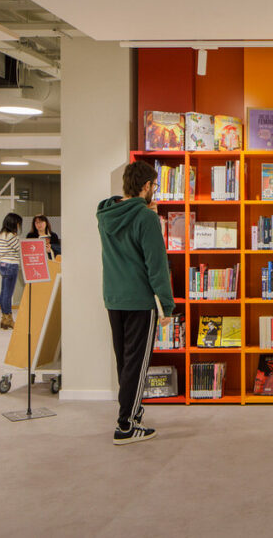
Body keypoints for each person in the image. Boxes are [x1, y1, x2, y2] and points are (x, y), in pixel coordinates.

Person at [97, 161, 174, 445]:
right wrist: (166, 305)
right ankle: (126, 426)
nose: (154, 189)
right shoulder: (146, 218)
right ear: (146, 186)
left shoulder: (106, 214)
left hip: (113, 298)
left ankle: (132, 413)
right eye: (154, 185)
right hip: (139, 300)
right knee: (137, 363)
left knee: (125, 362)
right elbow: (157, 264)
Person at [0, 213, 23, 330]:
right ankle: (8, 319)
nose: (19, 226)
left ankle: (4, 319)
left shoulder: (1, 235)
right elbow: (20, 249)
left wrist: (2, 255)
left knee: (4, 292)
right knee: (8, 294)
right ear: (14, 223)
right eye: (18, 223)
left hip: (3, 264)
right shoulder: (11, 236)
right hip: (11, 265)